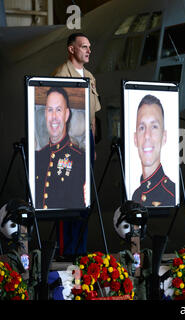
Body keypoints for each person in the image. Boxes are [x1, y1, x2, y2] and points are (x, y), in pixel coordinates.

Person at [35, 87, 86, 257]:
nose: (54, 116)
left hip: (68, 249)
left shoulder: (79, 158)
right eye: (50, 110)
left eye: (59, 109)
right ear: (45, 114)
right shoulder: (38, 157)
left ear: (67, 114)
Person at [52, 32, 101, 161]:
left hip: (87, 136)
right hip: (70, 136)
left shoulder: (89, 77)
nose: (89, 51)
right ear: (72, 49)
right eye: (84, 47)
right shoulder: (62, 75)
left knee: (88, 178)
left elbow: (93, 117)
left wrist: (93, 146)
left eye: (89, 47)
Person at [131, 94, 175, 207]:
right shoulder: (136, 195)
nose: (147, 135)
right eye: (142, 127)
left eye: (154, 127)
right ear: (135, 139)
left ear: (164, 137)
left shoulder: (172, 193)